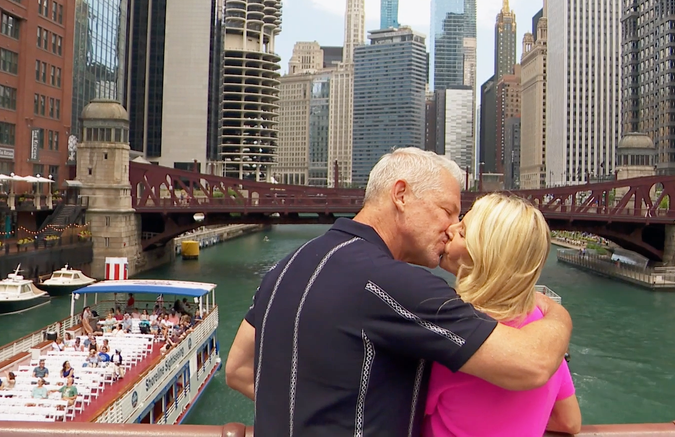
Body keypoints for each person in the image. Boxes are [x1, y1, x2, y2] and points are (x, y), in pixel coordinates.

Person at [226, 148, 572, 436]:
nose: (452, 227)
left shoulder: (283, 267)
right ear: (402, 194)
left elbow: (238, 368)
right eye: (447, 210)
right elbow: (533, 363)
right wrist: (558, 313)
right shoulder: (395, 284)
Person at [423, 194, 581, 436]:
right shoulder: (544, 333)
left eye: (463, 232)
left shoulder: (445, 327)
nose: (450, 228)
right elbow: (569, 422)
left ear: (485, 258)